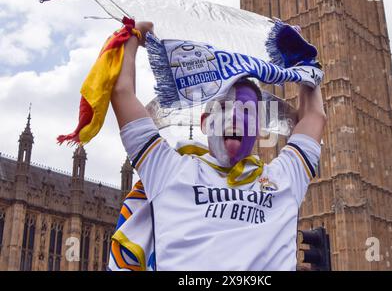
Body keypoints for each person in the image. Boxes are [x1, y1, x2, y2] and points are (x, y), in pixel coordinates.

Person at [110, 21, 327, 271]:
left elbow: (314, 117)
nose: (235, 116)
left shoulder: (284, 179)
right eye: (223, 107)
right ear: (204, 123)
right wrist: (134, 36)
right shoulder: (168, 170)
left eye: (248, 111)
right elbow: (122, 93)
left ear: (259, 130)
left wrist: (303, 62)